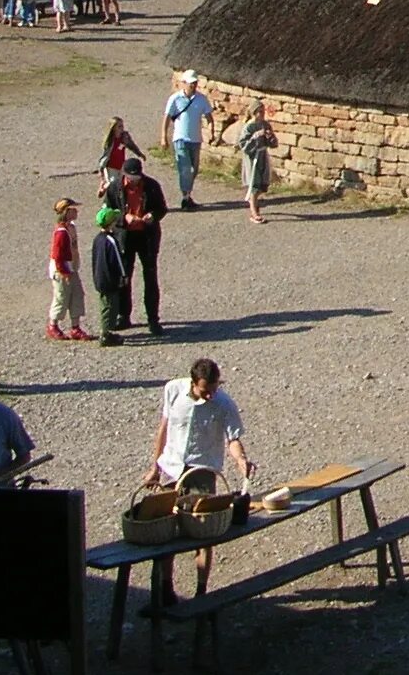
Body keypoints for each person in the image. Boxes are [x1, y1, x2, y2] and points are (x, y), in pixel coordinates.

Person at [143, 359, 256, 603]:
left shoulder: (224, 404)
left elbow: (233, 439)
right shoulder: (173, 390)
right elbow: (164, 428)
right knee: (165, 529)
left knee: (204, 531)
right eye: (206, 391)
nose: (210, 395)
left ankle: (201, 590)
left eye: (214, 389)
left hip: (202, 471)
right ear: (193, 383)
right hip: (172, 467)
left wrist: (241, 460)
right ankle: (165, 587)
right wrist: (154, 467)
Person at [119, 157, 170, 333]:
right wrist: (123, 218)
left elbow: (162, 208)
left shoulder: (151, 185)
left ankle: (153, 319)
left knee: (150, 277)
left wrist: (152, 216)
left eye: (137, 177)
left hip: (147, 236)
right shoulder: (115, 188)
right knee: (124, 276)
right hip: (126, 236)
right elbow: (108, 211)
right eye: (131, 178)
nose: (134, 181)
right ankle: (123, 316)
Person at [163, 71, 214, 212]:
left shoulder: (201, 99)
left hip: (195, 139)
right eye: (190, 83)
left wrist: (211, 132)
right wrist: (164, 136)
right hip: (180, 138)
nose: (193, 85)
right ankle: (185, 198)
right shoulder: (175, 99)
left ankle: (187, 194)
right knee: (185, 168)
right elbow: (167, 117)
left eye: (195, 83)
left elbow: (209, 116)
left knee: (194, 169)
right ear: (184, 83)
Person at [46, 197, 91, 342]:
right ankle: (53, 325)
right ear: (66, 212)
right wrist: (63, 271)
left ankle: (75, 327)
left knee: (77, 295)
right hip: (62, 271)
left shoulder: (70, 228)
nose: (76, 211)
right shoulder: (61, 232)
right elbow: (57, 255)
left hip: (72, 268)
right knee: (61, 297)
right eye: (73, 209)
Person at [90, 206, 128, 347]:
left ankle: (106, 331)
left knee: (105, 304)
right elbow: (118, 259)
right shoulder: (111, 240)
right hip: (110, 280)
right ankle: (105, 333)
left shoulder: (97, 239)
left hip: (100, 278)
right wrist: (124, 275)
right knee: (110, 306)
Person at [236, 101, 277, 224]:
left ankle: (253, 201)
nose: (262, 114)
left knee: (262, 184)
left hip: (263, 156)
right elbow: (243, 146)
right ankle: (254, 212)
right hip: (252, 158)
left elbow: (274, 144)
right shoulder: (248, 127)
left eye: (263, 111)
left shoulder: (266, 125)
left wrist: (270, 137)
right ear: (254, 113)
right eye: (260, 112)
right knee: (254, 183)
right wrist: (254, 137)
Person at [99, 116, 148, 211]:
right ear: (113, 128)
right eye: (119, 126)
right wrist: (101, 168)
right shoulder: (110, 140)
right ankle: (106, 202)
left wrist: (140, 154)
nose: (122, 128)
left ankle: (120, 203)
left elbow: (131, 145)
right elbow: (104, 156)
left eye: (122, 126)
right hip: (110, 167)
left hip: (121, 166)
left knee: (121, 184)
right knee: (111, 184)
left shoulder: (124, 137)